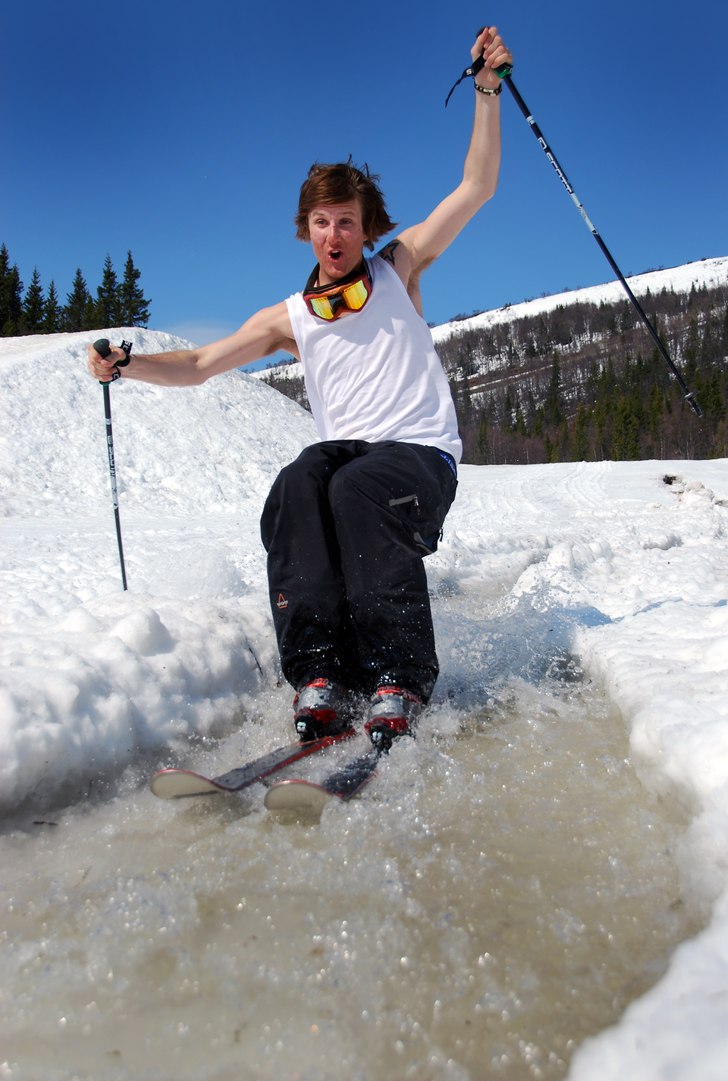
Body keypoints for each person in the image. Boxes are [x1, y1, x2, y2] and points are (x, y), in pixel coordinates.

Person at [88, 25, 513, 752]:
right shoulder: (290, 318)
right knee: (298, 485)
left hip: (419, 457)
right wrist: (128, 365)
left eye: (346, 222)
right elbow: (200, 363)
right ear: (306, 230)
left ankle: (399, 675)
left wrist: (487, 89)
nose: (334, 234)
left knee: (355, 488)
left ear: (364, 228)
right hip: (350, 459)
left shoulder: (398, 269)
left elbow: (476, 187)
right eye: (322, 222)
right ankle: (322, 671)